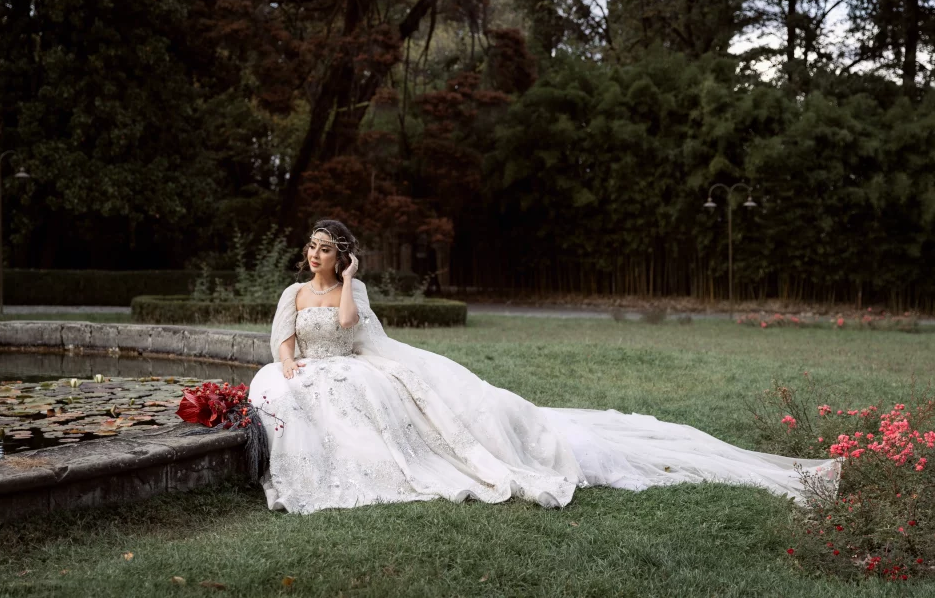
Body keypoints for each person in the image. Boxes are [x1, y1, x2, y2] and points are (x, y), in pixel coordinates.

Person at [248, 219, 840, 514]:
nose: (314, 254)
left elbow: (351, 329)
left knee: (385, 404)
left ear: (341, 254)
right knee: (283, 392)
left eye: (325, 248)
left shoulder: (355, 287)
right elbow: (281, 339)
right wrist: (289, 365)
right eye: (311, 247)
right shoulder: (293, 293)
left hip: (353, 364)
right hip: (309, 369)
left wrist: (349, 281)